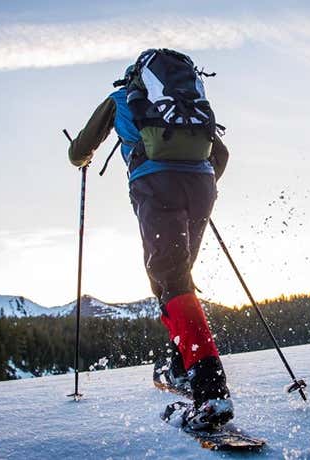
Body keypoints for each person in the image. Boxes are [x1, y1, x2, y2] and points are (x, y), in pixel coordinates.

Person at [67, 49, 232, 430]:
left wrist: (83, 159)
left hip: (157, 186)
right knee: (178, 279)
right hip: (202, 184)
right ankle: (181, 367)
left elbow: (79, 152)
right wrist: (199, 183)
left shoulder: (121, 100)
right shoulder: (189, 106)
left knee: (170, 282)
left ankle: (211, 391)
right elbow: (219, 154)